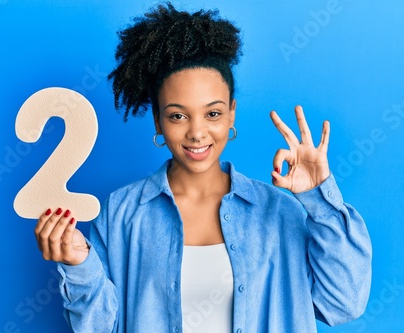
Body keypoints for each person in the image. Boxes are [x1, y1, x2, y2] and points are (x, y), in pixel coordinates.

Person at [34, 2, 372, 332]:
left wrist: (320, 201)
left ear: (231, 114)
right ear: (157, 120)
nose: (197, 132)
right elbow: (98, 328)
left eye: (212, 113)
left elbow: (343, 303)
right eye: (178, 115)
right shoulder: (122, 213)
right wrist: (79, 265)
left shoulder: (280, 212)